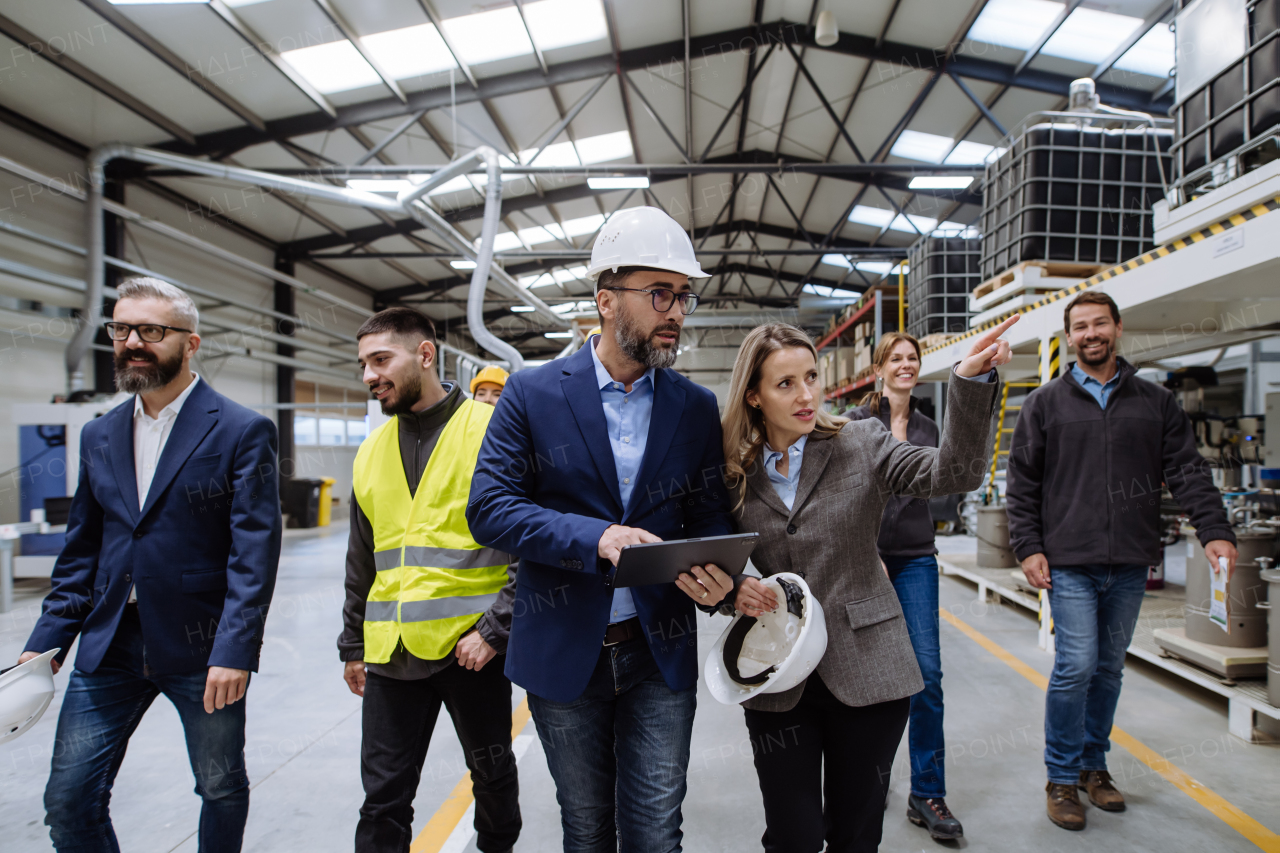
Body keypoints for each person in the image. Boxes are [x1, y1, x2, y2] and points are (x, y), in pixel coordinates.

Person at [466, 206, 735, 852]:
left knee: (655, 832)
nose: (676, 312)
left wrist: (718, 578)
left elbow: (709, 517)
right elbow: (490, 507)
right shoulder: (532, 394)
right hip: (563, 650)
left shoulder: (694, 407)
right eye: (660, 294)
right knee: (586, 831)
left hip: (657, 649)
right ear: (606, 300)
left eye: (683, 296)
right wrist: (596, 537)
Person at [722, 318, 1016, 853]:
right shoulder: (733, 475)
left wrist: (969, 383)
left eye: (811, 376)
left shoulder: (862, 442)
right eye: (785, 383)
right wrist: (734, 585)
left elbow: (954, 472)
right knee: (793, 834)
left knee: (857, 833)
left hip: (867, 669)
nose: (807, 394)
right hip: (778, 676)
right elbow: (713, 558)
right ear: (754, 396)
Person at [18, 277, 282, 853]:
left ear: (190, 344)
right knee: (69, 800)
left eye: (152, 331)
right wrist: (48, 640)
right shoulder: (100, 434)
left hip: (200, 645)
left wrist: (235, 650)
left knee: (219, 787)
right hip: (110, 642)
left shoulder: (240, 429)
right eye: (122, 329)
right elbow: (83, 548)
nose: (133, 342)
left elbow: (253, 553)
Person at [1005, 290, 1237, 832]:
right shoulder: (1046, 404)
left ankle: (1094, 767)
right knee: (1076, 666)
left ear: (1117, 328)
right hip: (1070, 560)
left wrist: (1215, 530)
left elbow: (1186, 470)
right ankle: (1061, 777)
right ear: (1069, 338)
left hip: (1130, 560)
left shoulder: (1154, 402)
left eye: (1099, 324)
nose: (1091, 334)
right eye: (1080, 326)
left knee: (1109, 670)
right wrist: (1028, 545)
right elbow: (1023, 484)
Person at [338, 307, 520, 853]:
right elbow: (361, 556)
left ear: (424, 355)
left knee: (491, 778)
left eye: (380, 360)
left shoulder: (490, 431)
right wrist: (352, 642)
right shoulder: (371, 452)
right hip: (391, 654)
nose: (369, 375)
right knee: (383, 797)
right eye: (363, 364)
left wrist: (495, 631)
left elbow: (527, 546)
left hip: (472, 650)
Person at [847, 331, 961, 842]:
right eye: (896, 358)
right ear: (879, 368)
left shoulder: (928, 426)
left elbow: (944, 485)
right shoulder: (853, 425)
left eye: (912, 358)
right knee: (864, 677)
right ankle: (865, 781)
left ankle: (927, 791)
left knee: (927, 674)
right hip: (861, 560)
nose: (906, 365)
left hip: (915, 559)